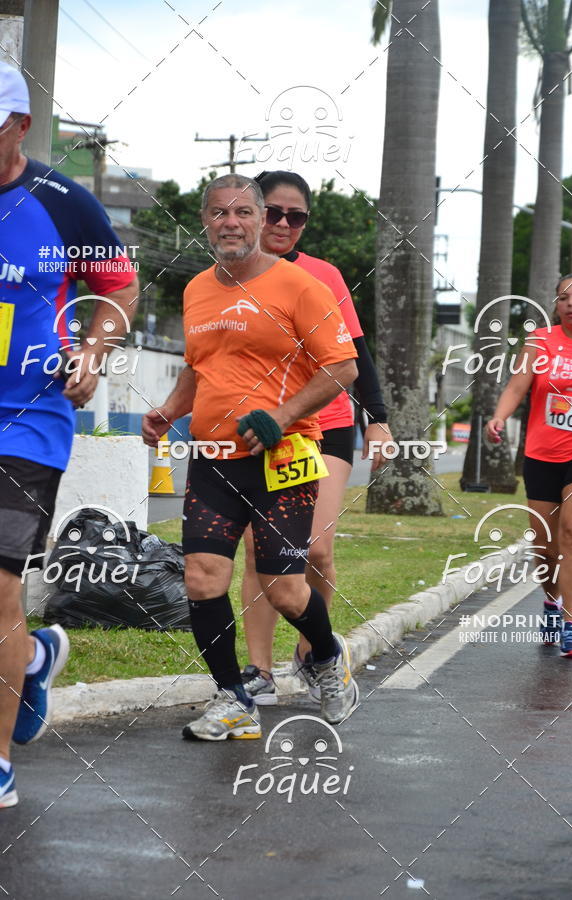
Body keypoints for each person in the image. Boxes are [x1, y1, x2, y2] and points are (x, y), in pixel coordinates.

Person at [142, 173, 359, 741]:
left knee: (284, 586)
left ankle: (326, 657)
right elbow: (198, 366)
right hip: (213, 457)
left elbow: (343, 367)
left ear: (262, 221)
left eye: (242, 213)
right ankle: (233, 699)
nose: (230, 223)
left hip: (282, 457)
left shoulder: (299, 286)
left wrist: (282, 416)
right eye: (219, 213)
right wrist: (168, 411)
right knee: (201, 577)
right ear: (205, 221)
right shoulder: (196, 291)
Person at [0, 63, 139, 808]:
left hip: (26, 423)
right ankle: (35, 657)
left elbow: (117, 287)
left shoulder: (61, 204)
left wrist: (92, 350)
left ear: (19, 126)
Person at [239, 170, 388, 705]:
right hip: (261, 432)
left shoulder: (325, 275)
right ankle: (257, 670)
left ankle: (311, 651)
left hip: (324, 428)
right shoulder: (230, 275)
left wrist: (378, 416)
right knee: (262, 548)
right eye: (273, 212)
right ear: (252, 211)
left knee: (316, 550)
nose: (282, 224)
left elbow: (356, 355)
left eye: (295, 216)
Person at [486, 274, 572, 659]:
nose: (571, 303)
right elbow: (518, 386)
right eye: (563, 297)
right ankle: (551, 603)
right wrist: (499, 417)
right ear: (555, 306)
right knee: (545, 545)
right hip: (542, 453)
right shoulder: (540, 341)